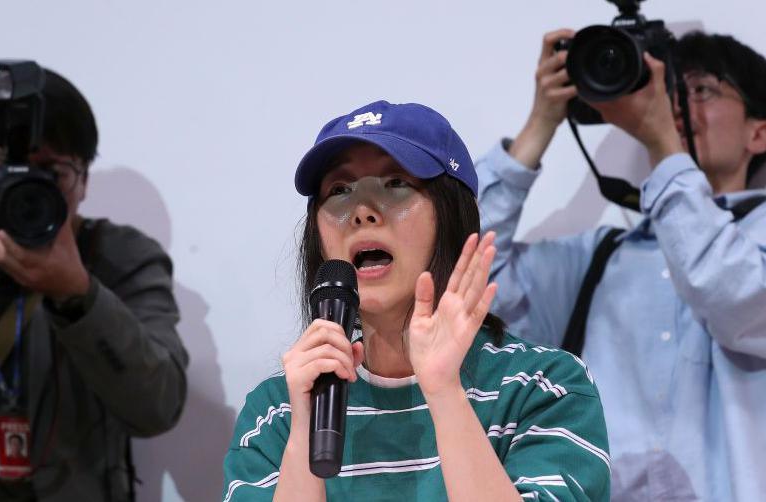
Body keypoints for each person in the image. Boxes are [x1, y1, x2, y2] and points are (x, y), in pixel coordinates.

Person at [477, 28, 766, 500]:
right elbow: (463, 278)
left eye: (701, 90)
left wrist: (665, 142)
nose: (678, 104)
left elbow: (733, 295)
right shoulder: (599, 259)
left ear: (758, 133)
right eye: (670, 91)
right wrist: (541, 123)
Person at [221, 100, 610, 501]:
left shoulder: (543, 388)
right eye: (339, 190)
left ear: (454, 218)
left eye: (395, 184)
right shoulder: (277, 411)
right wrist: (304, 434)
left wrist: (445, 392)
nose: (363, 212)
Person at [0, 68, 189, 500]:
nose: (26, 190)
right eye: (4, 171)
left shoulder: (120, 257)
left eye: (50, 173)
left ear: (84, 179)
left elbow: (158, 407)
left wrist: (79, 296)